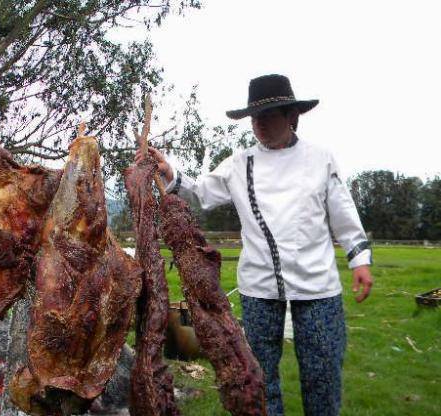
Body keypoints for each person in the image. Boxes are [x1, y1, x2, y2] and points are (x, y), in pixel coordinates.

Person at [136, 74, 373, 416]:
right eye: (254, 117)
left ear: (292, 116)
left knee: (322, 375)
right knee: (259, 377)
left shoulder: (321, 159)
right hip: (259, 287)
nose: (259, 123)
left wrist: (359, 260)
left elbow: (343, 213)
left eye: (269, 114)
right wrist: (168, 170)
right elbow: (201, 191)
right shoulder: (239, 164)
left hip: (318, 287)